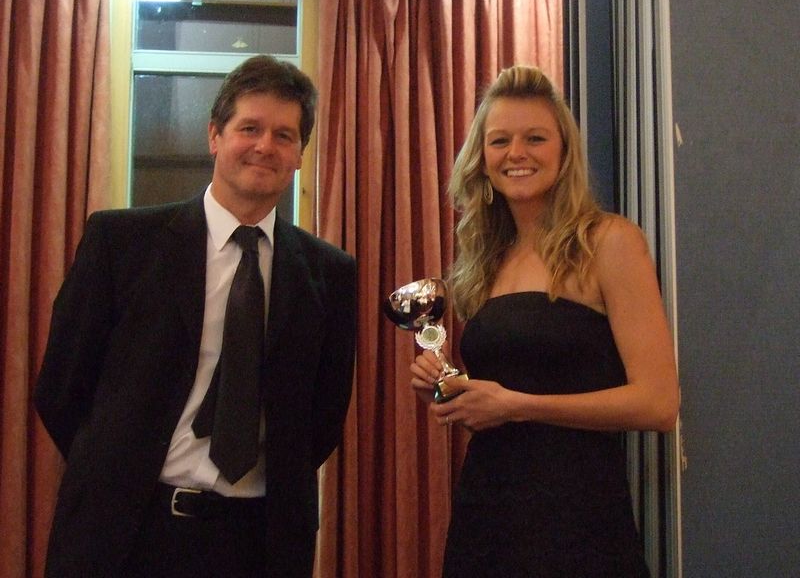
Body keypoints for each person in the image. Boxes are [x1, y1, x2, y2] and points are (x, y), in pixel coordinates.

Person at [34, 54, 357, 578]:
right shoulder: (121, 244)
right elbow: (61, 387)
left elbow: (323, 418)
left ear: (300, 154)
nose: (264, 146)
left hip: (260, 544)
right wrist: (112, 471)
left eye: (284, 135)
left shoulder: (330, 273)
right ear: (214, 135)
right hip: (126, 534)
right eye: (249, 128)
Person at [410, 65, 679, 577]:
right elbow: (499, 394)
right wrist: (448, 391)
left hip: (579, 519)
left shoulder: (609, 242)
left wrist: (517, 406)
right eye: (500, 141)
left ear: (564, 151)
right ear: (482, 157)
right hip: (486, 516)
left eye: (535, 138)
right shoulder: (485, 260)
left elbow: (659, 403)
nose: (517, 153)